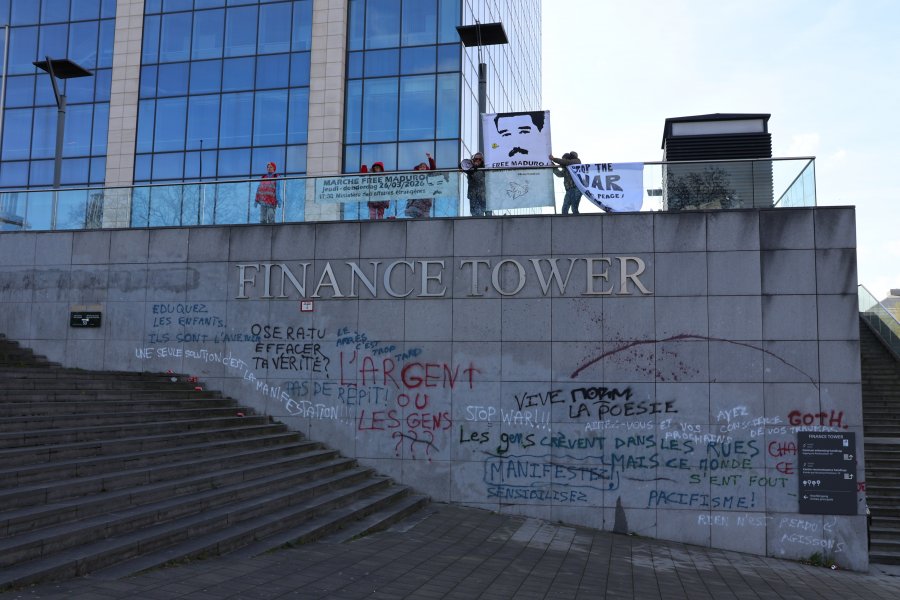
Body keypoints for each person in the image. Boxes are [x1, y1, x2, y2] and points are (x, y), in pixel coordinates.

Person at [405, 152, 436, 219]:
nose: (422, 168)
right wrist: (409, 204)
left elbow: (433, 168)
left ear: (426, 169)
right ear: (418, 169)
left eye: (424, 167)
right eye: (421, 167)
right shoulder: (415, 178)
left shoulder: (428, 176)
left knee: (424, 220)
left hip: (425, 203)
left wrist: (429, 158)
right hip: (416, 203)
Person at [463, 152, 487, 216]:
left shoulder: (485, 168)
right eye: (476, 159)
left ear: (482, 160)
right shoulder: (470, 168)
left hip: (484, 196)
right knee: (475, 215)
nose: (478, 160)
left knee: (489, 216)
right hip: (473, 195)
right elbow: (461, 165)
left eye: (480, 159)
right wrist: (472, 165)